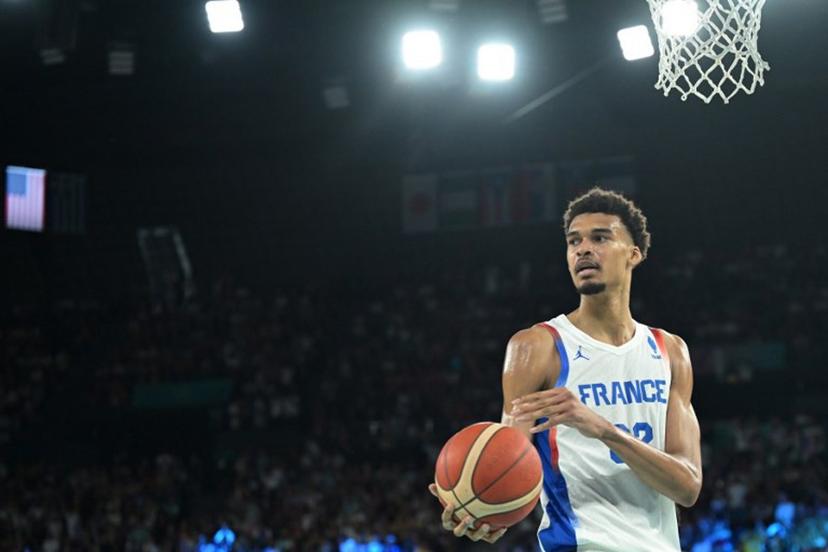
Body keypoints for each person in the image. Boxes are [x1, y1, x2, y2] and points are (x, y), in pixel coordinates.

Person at [429, 188, 702, 550]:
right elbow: (511, 459)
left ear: (633, 254)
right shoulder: (537, 347)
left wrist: (604, 431)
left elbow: (687, 487)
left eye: (600, 238)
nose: (583, 249)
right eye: (574, 241)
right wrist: (481, 509)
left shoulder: (670, 351)